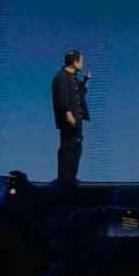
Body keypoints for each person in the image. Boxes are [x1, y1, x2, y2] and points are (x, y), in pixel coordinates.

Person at [51, 50, 91, 185]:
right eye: (81, 61)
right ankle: (65, 179)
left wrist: (85, 80)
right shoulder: (61, 77)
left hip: (77, 120)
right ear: (75, 62)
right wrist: (68, 114)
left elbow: (80, 94)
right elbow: (62, 98)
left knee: (76, 147)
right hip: (69, 120)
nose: (82, 64)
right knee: (68, 148)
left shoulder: (72, 78)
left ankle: (71, 178)